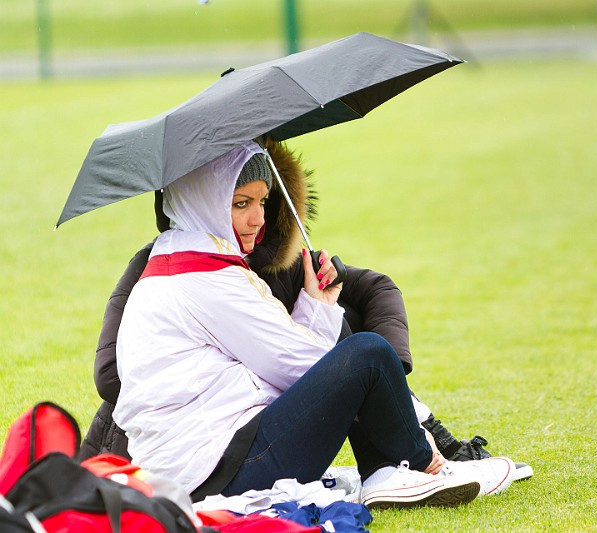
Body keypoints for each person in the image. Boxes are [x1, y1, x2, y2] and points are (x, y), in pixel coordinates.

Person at [79, 138, 532, 482]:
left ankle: (396, 463)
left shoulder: (197, 256)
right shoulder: (201, 275)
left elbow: (313, 341)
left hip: (209, 457)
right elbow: (301, 368)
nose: (258, 218)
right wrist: (406, 414)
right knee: (368, 354)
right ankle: (427, 463)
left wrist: (316, 306)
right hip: (214, 467)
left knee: (357, 347)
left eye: (262, 201)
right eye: (240, 204)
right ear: (204, 202)